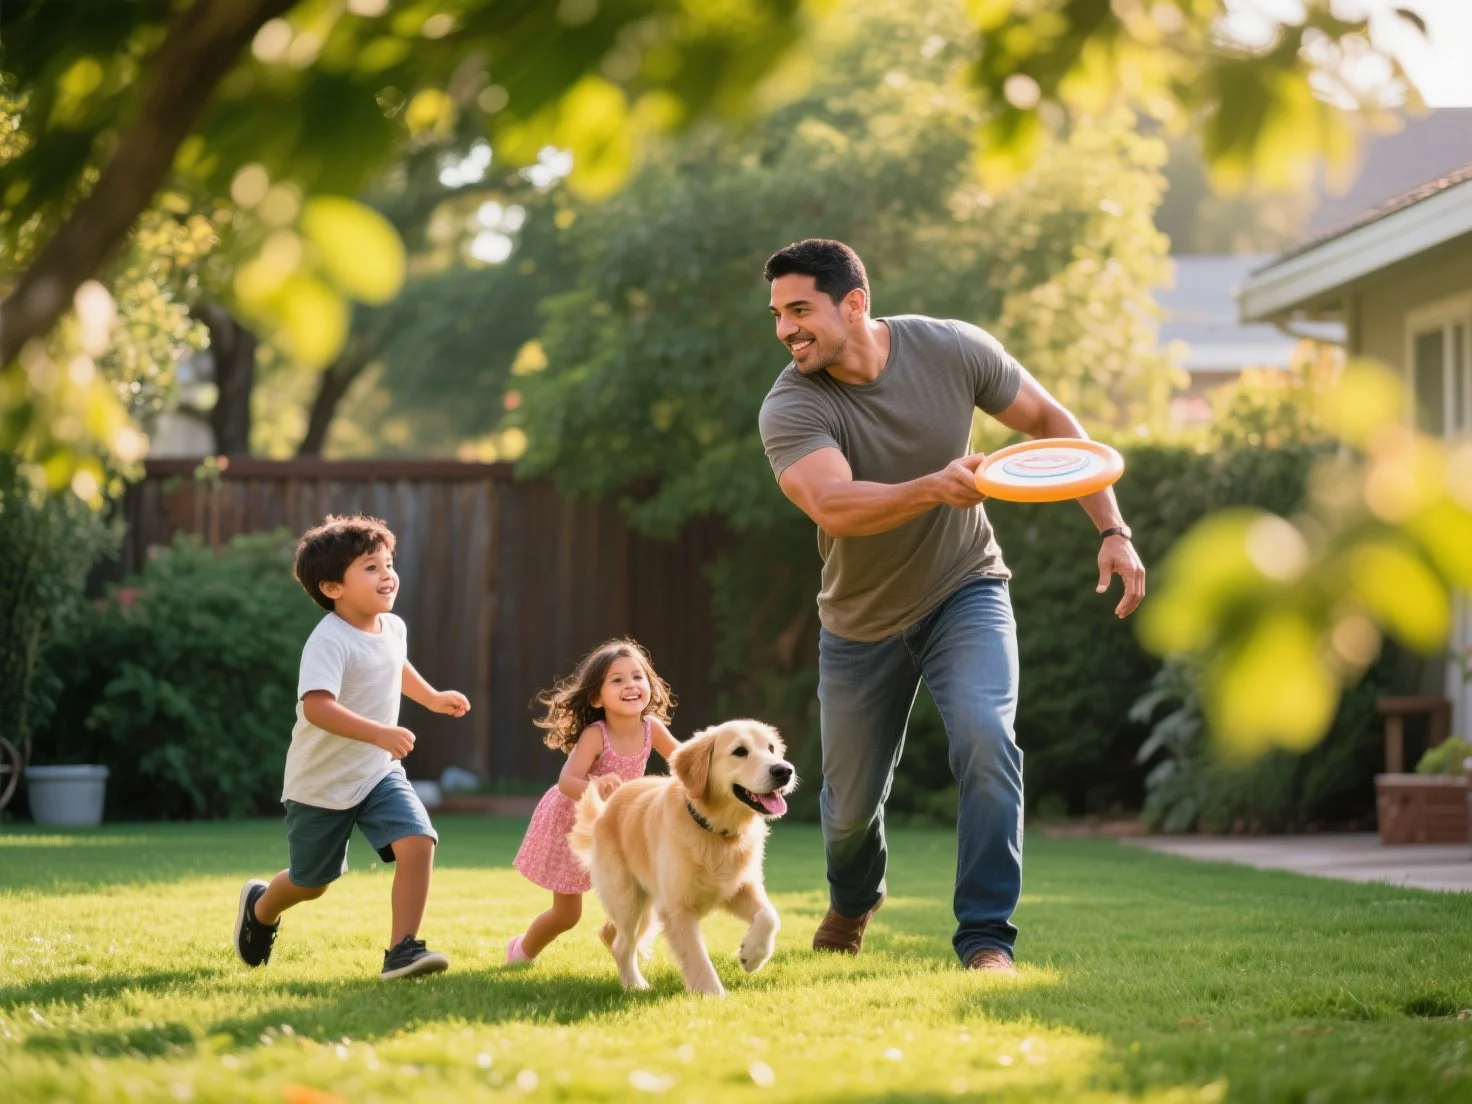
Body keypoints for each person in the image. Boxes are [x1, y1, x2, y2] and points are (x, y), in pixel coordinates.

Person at [757, 239, 1145, 972]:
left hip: (964, 588)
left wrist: (1113, 530)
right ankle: (853, 896)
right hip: (860, 621)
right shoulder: (792, 404)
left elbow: (1055, 425)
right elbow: (834, 506)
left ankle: (986, 939)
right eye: (777, 314)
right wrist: (935, 485)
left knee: (985, 736)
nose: (786, 329)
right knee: (844, 813)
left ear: (855, 303)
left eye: (800, 309)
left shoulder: (953, 349)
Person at [233, 514, 470, 980]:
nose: (387, 575)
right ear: (332, 587)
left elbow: (395, 667)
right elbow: (318, 707)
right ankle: (261, 908)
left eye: (388, 563)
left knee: (418, 842)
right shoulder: (328, 640)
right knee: (312, 882)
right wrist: (379, 732)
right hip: (320, 783)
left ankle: (403, 950)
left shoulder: (392, 627)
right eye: (370, 567)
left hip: (376, 772)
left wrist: (433, 697)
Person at [506, 637, 680, 964]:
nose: (631, 685)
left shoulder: (651, 729)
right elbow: (566, 781)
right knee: (567, 915)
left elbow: (682, 761)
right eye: (617, 680)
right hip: (573, 822)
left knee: (643, 887)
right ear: (597, 698)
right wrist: (595, 783)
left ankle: (616, 933)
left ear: (650, 686)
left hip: (618, 824)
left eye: (637, 677)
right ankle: (521, 950)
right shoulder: (596, 735)